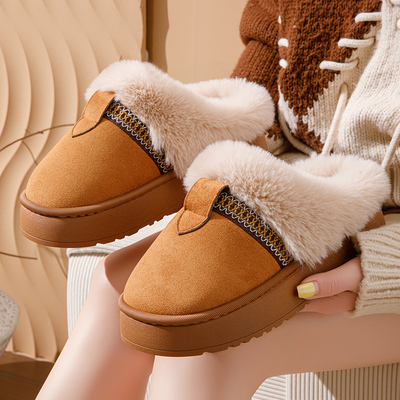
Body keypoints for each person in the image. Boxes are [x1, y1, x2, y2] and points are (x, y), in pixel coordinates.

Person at [36, 0, 400, 399]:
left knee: (199, 339)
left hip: (387, 239)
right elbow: (266, 75)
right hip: (317, 194)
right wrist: (195, 129)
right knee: (119, 283)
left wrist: (386, 265)